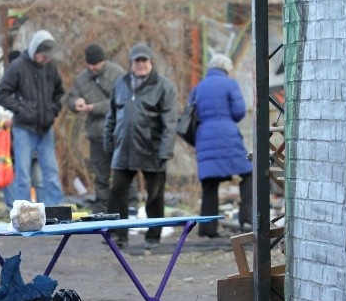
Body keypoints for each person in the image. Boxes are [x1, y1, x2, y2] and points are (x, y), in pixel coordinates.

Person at [104, 43, 178, 250]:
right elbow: (111, 115)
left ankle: (153, 237)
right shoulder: (120, 83)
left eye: (144, 61)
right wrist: (108, 141)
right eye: (137, 61)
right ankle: (119, 235)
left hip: (152, 149)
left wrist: (165, 150)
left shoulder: (164, 87)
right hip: (124, 148)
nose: (141, 65)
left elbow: (170, 123)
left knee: (155, 196)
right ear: (131, 63)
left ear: (151, 62)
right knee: (117, 192)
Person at [0, 29, 65, 206]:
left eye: (48, 56)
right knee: (23, 174)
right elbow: (2, 94)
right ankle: (24, 212)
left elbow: (59, 94)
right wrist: (21, 109)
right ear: (35, 51)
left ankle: (55, 211)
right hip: (23, 128)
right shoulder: (18, 66)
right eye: (43, 55)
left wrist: (52, 111)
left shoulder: (50, 68)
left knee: (51, 172)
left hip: (45, 127)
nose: (46, 59)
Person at [188, 53, 253, 238]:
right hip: (227, 136)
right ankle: (247, 218)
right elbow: (239, 111)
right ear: (227, 69)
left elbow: (191, 113)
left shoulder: (198, 88)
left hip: (204, 138)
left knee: (210, 184)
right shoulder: (230, 84)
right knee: (248, 174)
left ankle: (208, 229)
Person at [67, 44, 126, 213]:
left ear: (104, 61)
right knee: (100, 174)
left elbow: (122, 101)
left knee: (123, 173)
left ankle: (128, 206)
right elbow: (71, 97)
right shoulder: (81, 79)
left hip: (117, 133)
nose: (94, 68)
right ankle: (102, 208)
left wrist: (95, 107)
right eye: (91, 65)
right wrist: (76, 102)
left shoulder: (117, 74)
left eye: (97, 65)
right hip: (95, 134)